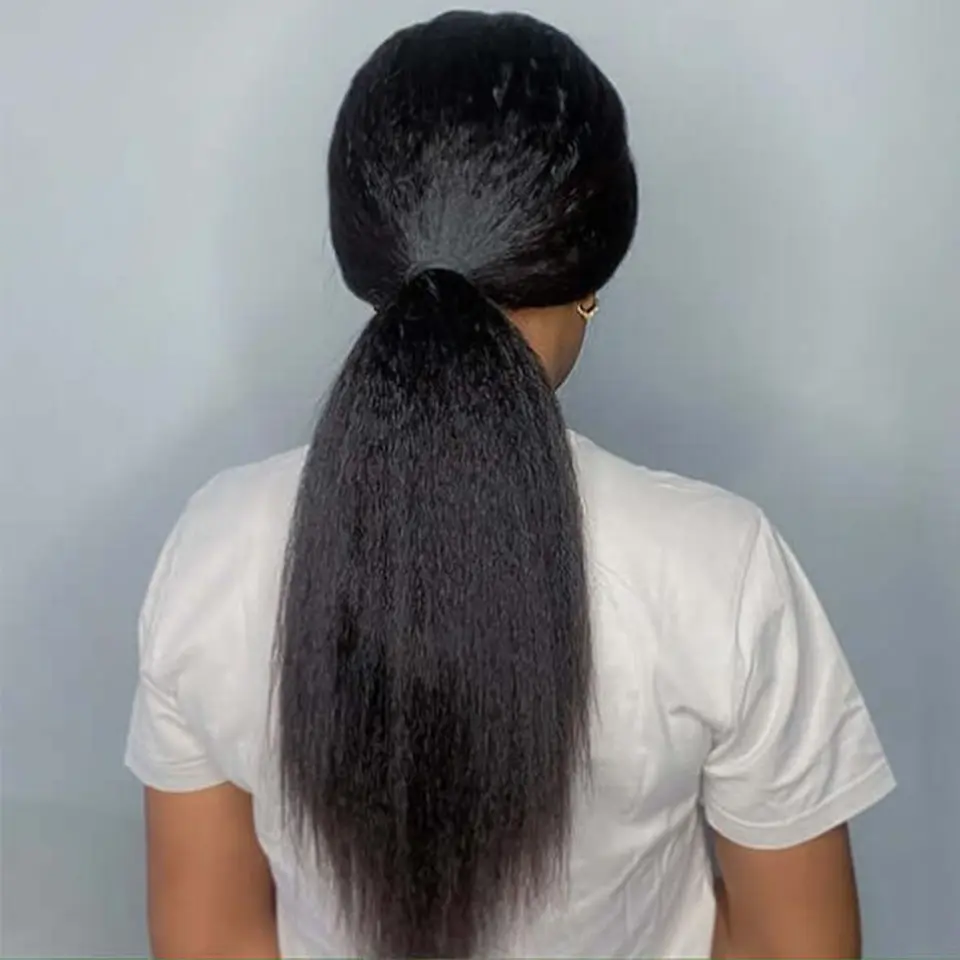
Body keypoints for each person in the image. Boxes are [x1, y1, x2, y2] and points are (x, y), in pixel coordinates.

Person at [125, 10, 895, 959]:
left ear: (362, 250)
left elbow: (210, 937)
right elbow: (796, 948)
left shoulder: (215, 548)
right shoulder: (719, 569)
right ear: (591, 268)